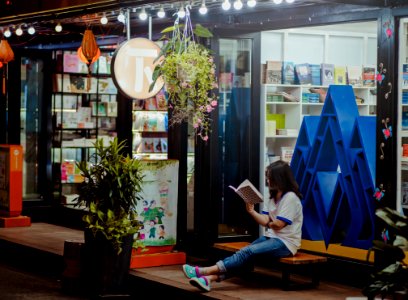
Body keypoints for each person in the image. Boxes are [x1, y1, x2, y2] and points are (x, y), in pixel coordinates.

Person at [182, 160, 303, 292]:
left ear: (280, 179)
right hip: (272, 237)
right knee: (246, 257)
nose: (268, 180)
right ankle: (208, 280)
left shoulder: (290, 197)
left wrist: (270, 223)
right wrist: (251, 211)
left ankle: (203, 271)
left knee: (247, 251)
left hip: (286, 243)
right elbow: (265, 221)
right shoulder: (273, 196)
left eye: (270, 177)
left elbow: (279, 225)